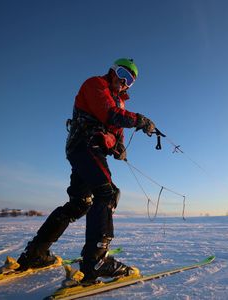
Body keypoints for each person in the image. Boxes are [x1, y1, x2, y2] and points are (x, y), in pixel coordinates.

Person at [17, 58, 155, 282]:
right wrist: (139, 120)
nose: (124, 81)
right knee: (107, 193)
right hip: (85, 145)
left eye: (130, 80)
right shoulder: (95, 85)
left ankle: (36, 253)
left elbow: (115, 128)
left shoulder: (120, 102)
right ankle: (96, 261)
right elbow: (108, 114)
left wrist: (118, 147)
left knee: (80, 203)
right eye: (122, 74)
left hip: (89, 150)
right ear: (112, 71)